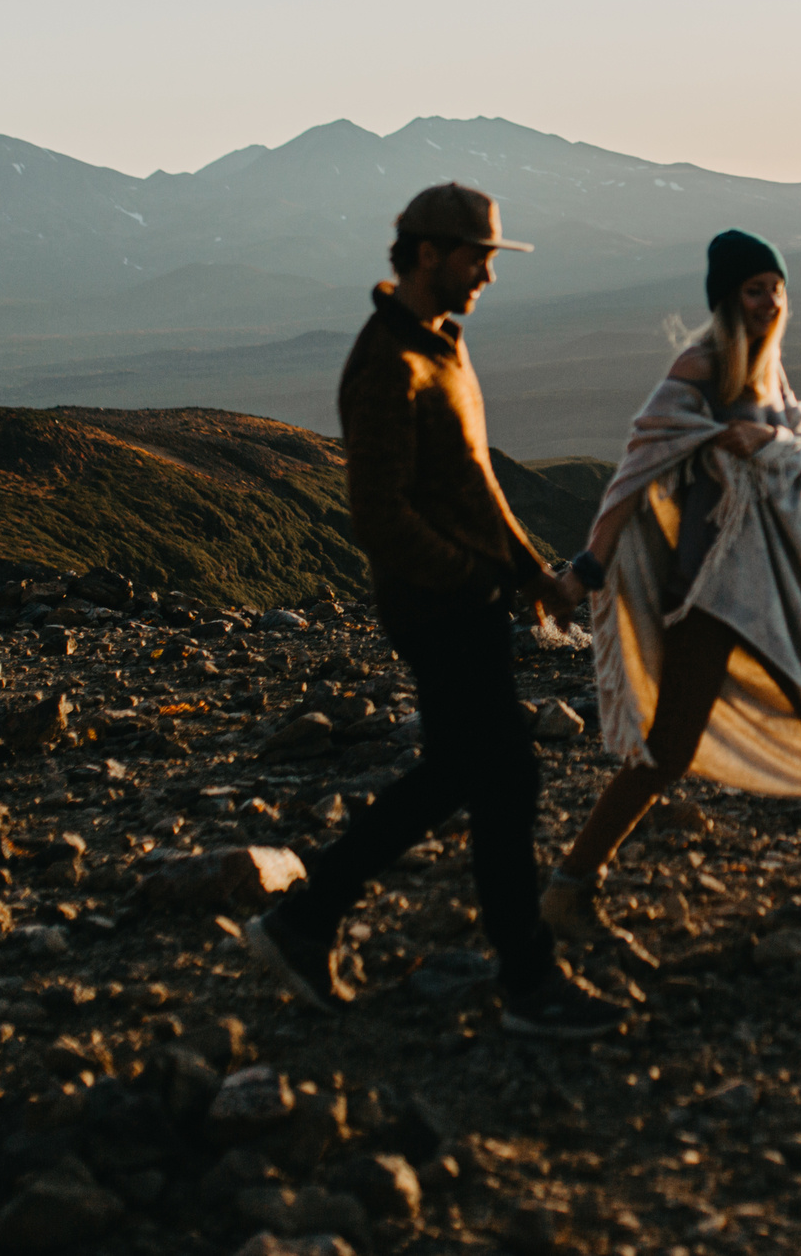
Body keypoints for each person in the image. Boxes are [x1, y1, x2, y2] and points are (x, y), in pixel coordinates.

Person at [246, 183, 625, 1040]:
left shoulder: (441, 347)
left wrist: (534, 575)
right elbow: (380, 517)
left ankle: (304, 922)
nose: (489, 273)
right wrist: (476, 580)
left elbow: (476, 486)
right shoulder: (387, 362)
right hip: (438, 609)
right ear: (428, 255)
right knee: (504, 775)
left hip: (467, 600)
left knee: (463, 772)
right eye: (477, 256)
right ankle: (528, 984)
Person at [541, 229, 801, 958]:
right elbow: (637, 469)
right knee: (669, 749)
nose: (769, 301)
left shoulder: (771, 374)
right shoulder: (702, 365)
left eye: (776, 288)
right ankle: (569, 886)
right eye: (754, 289)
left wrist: (770, 445)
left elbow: (797, 449)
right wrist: (585, 570)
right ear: (728, 299)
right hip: (712, 587)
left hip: (777, 585)